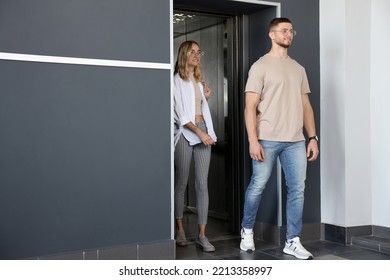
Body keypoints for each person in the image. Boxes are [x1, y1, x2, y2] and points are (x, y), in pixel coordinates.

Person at [240, 17, 319, 260]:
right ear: (272, 35)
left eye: (291, 31)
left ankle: (292, 241)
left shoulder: (298, 69)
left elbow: (306, 107)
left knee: (297, 190)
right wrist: (253, 140)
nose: (289, 34)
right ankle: (247, 230)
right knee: (258, 186)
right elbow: (249, 107)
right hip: (267, 139)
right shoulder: (260, 66)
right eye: (284, 31)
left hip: (295, 140)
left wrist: (313, 137)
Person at [173, 40, 217, 252]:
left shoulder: (199, 81)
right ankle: (179, 229)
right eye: (192, 52)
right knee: (181, 182)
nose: (197, 55)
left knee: (202, 183)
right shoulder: (176, 80)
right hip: (186, 132)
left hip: (202, 127)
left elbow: (198, 108)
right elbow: (182, 116)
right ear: (184, 54)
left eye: (199, 52)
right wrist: (201, 133)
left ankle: (202, 235)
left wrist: (205, 98)